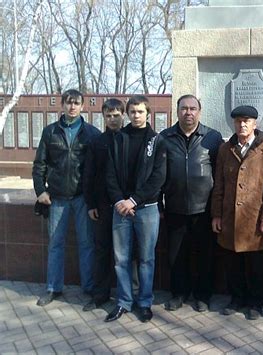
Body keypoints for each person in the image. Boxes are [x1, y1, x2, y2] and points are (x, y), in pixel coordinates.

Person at [211, 105, 263, 320]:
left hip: (255, 218)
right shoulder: (226, 148)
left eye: (247, 121)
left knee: (256, 265)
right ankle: (237, 299)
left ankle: (255, 303)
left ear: (255, 124)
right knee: (233, 263)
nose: (242, 124)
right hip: (230, 218)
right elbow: (219, 185)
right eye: (238, 121)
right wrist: (216, 214)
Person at [33, 89, 101, 306]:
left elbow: (98, 168)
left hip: (82, 197)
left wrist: (95, 197)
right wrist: (40, 190)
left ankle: (89, 287)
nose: (72, 107)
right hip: (57, 197)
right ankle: (54, 288)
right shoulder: (50, 132)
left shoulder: (92, 133)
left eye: (76, 103)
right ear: (62, 105)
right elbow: (39, 164)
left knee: (87, 243)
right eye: (69, 103)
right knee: (55, 244)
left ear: (83, 106)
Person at [105, 95, 167, 323]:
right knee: (121, 259)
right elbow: (109, 174)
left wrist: (134, 200)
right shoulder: (118, 138)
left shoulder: (157, 141)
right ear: (127, 114)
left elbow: (158, 178)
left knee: (146, 258)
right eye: (132, 112)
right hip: (120, 208)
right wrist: (120, 201)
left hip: (147, 208)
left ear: (148, 114)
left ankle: (144, 302)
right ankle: (123, 302)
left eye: (140, 111)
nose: (136, 115)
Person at [161, 94, 222, 313]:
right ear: (177, 111)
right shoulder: (165, 137)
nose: (188, 112)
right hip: (175, 208)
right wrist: (160, 205)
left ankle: (203, 296)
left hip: (203, 209)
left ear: (199, 111)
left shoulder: (213, 138)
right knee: (176, 256)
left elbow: (220, 175)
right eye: (184, 108)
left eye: (192, 108)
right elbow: (159, 175)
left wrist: (217, 210)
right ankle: (179, 294)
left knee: (204, 256)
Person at [82, 98, 124, 312]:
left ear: (123, 115)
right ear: (104, 117)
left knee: (127, 253)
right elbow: (88, 175)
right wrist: (91, 204)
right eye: (108, 116)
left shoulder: (130, 138)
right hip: (103, 206)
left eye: (116, 115)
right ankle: (100, 295)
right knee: (102, 251)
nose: (113, 119)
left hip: (126, 207)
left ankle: (127, 296)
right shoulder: (97, 142)